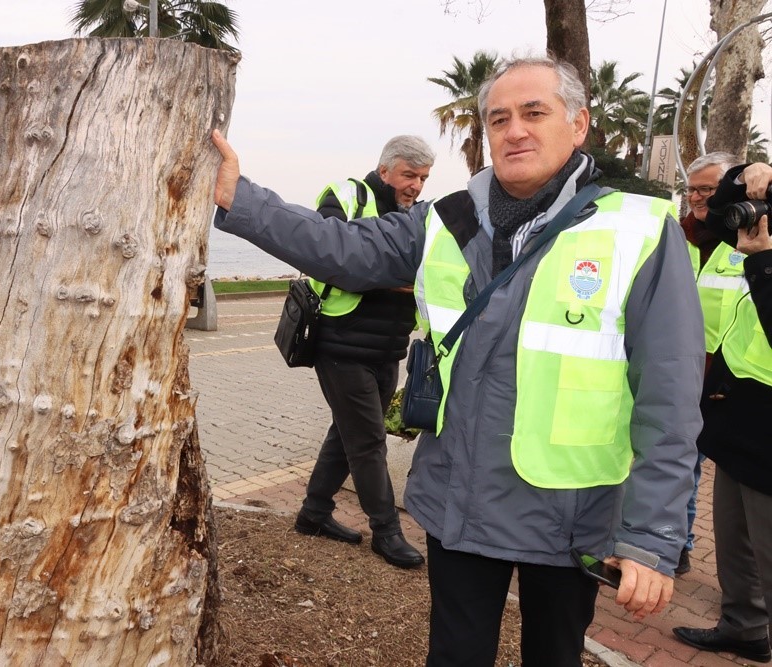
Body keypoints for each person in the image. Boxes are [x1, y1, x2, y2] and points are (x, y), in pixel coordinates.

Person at [211, 55, 702, 667]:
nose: (514, 130)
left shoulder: (639, 229)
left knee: (554, 656)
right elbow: (345, 249)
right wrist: (240, 198)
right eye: (498, 118)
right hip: (460, 501)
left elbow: (670, 399)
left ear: (578, 125)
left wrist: (652, 537)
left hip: (572, 513)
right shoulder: (447, 218)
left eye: (533, 113)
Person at [294, 136, 433, 569]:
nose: (416, 186)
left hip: (387, 348)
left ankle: (314, 513)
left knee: (348, 431)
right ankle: (386, 531)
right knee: (369, 440)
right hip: (341, 345)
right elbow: (333, 260)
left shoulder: (418, 217)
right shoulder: (348, 197)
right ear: (386, 169)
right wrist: (404, 278)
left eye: (424, 178)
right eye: (410, 175)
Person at [672, 162, 772, 663]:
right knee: (734, 537)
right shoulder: (744, 238)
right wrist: (751, 173)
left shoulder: (760, 257)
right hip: (739, 411)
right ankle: (744, 625)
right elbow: (715, 212)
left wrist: (764, 262)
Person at [677, 151, 744, 576]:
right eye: (693, 188)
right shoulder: (676, 234)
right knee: (680, 463)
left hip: (726, 378)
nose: (697, 197)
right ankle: (676, 546)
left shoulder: (750, 238)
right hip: (679, 369)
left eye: (708, 189)